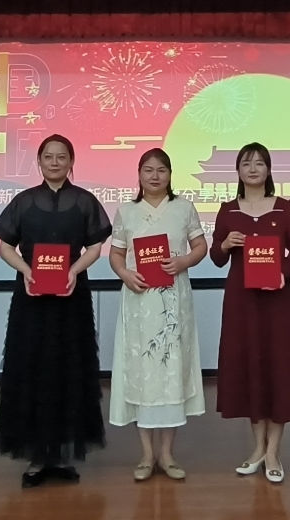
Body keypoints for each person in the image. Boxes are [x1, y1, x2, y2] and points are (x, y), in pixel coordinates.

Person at [0, 134, 111, 488]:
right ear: (39, 162)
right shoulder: (24, 201)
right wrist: (26, 270)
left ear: (71, 162)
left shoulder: (85, 201)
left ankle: (60, 454)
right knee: (31, 368)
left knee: (69, 369)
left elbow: (95, 246)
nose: (55, 162)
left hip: (72, 297)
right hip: (31, 298)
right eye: (48, 156)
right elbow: (5, 247)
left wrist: (73, 270)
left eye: (61, 157)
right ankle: (36, 455)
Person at [210, 142, 290, 484]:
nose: (253, 169)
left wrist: (283, 273)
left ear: (268, 170)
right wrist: (225, 244)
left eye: (259, 163)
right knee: (249, 367)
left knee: (278, 369)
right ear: (237, 171)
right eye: (246, 163)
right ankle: (257, 448)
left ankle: (273, 452)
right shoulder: (228, 210)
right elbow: (216, 257)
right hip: (241, 302)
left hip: (277, 301)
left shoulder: (284, 208)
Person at [108, 148, 207, 481]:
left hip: (174, 303)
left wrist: (183, 261)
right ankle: (146, 455)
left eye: (161, 170)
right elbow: (116, 254)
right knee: (142, 373)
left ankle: (167, 454)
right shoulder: (127, 211)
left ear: (170, 174)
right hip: (139, 303)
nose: (154, 176)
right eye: (148, 170)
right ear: (139, 174)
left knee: (170, 372)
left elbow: (200, 246)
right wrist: (125, 274)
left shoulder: (184, 208)